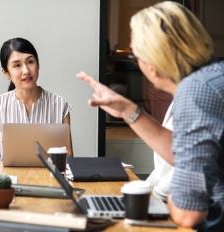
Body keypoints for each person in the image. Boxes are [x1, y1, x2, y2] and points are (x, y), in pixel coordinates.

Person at [77, 1, 224, 231]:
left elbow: (188, 214)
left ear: (152, 66)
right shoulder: (213, 75)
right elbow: (183, 152)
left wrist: (159, 200)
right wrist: (128, 111)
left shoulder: (195, 92)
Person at [0, 38, 73, 161]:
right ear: (6, 73)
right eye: (17, 65)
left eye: (30, 62)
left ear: (38, 64)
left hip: (48, 179)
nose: (26, 71)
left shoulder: (60, 105)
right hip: (9, 179)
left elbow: (68, 158)